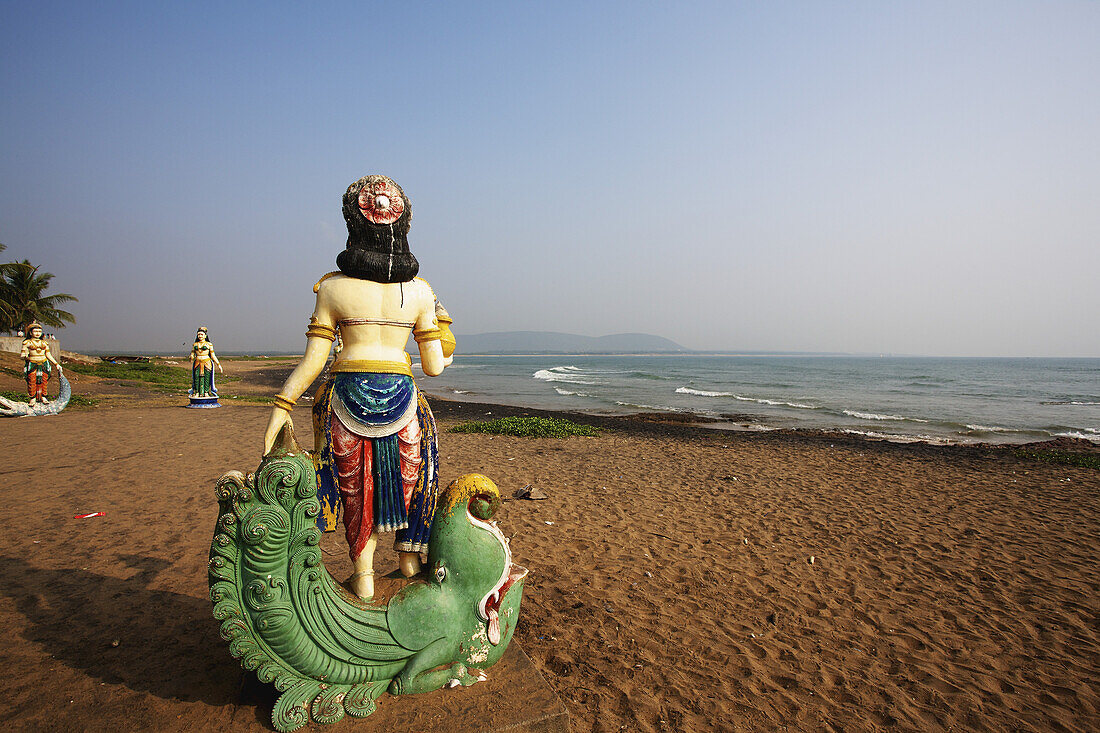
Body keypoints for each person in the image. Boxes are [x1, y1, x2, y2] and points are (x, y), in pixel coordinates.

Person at [263, 175, 454, 600]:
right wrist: (447, 338)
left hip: (345, 397)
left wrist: (283, 404)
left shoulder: (332, 287)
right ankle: (408, 562)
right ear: (403, 225)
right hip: (404, 400)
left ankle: (364, 575)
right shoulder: (422, 293)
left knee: (358, 490)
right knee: (410, 482)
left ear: (353, 222)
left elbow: (314, 360)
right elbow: (435, 368)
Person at [21, 322, 62, 404]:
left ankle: (44, 397)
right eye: (35, 331)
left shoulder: (44, 343)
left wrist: (56, 364)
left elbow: (48, 354)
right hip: (32, 363)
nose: (37, 333)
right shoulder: (27, 343)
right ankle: (32, 398)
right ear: (30, 332)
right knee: (32, 381)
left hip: (44, 363)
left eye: (39, 331)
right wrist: (26, 357)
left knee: (44, 381)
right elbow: (22, 355)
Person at [190, 327, 223, 397]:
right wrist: (191, 357)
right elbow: (192, 354)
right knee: (196, 378)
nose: (200, 336)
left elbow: (213, 355)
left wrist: (218, 364)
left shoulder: (209, 344)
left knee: (207, 378)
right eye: (198, 334)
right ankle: (197, 392)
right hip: (197, 362)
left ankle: (206, 392)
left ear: (205, 336)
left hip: (207, 362)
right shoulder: (195, 344)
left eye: (201, 334)